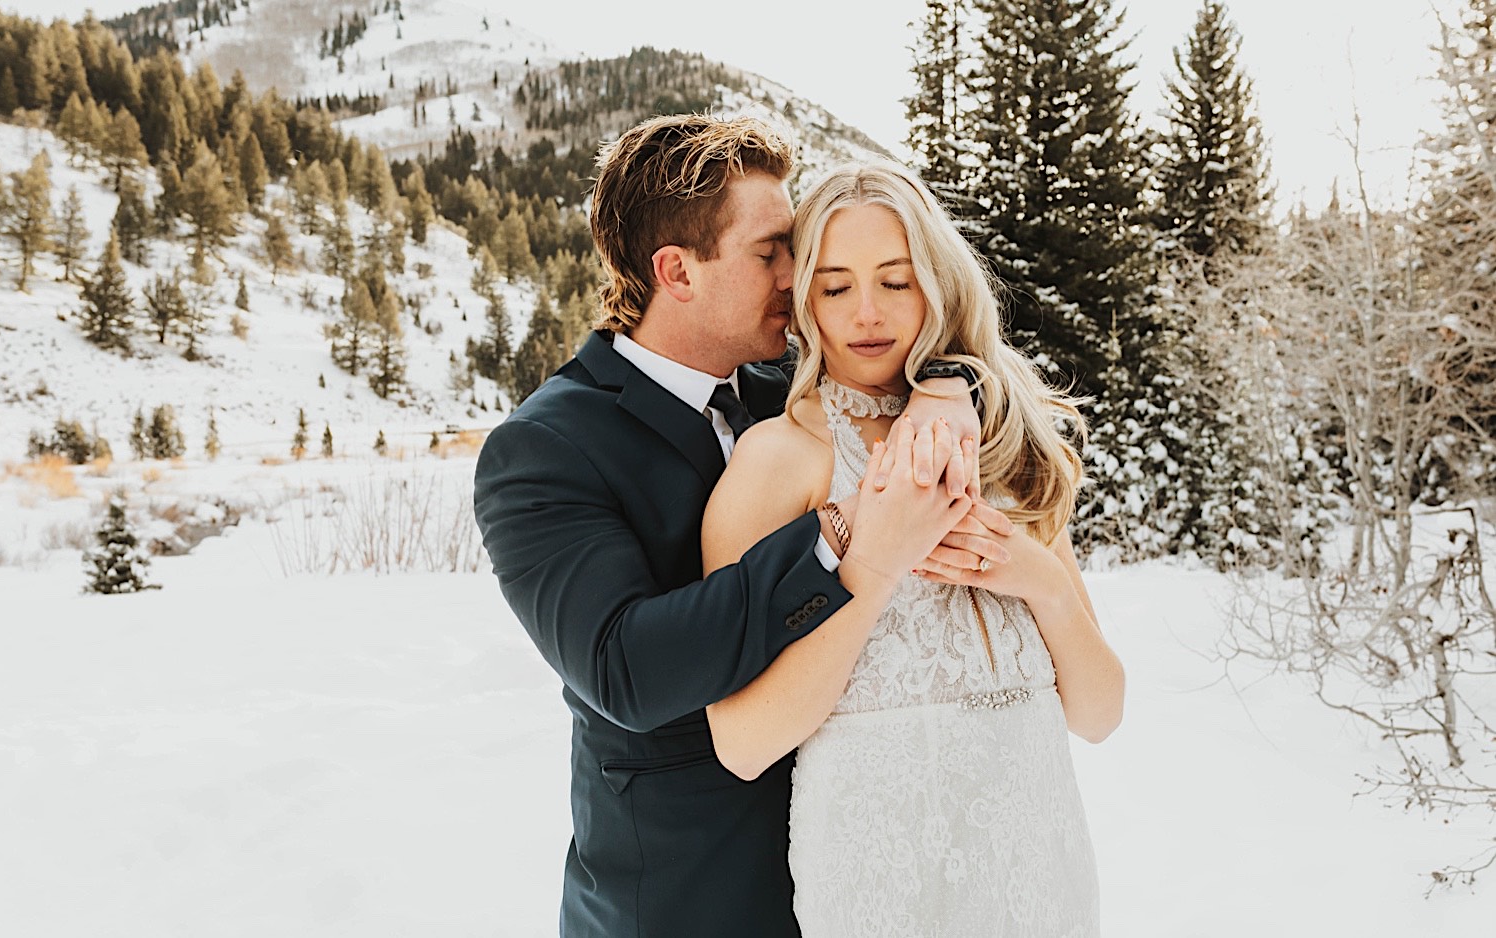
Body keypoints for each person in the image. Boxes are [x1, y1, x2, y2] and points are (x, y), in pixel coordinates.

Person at [472, 116, 991, 938]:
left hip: (858, 865)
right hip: (688, 894)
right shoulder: (545, 449)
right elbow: (626, 667)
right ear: (677, 271)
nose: (798, 273)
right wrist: (842, 536)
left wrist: (950, 384)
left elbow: (905, 343)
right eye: (770, 252)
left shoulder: (779, 381)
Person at [701, 161, 1126, 936]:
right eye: (835, 288)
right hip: (882, 887)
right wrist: (876, 563)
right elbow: (742, 743)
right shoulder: (781, 461)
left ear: (936, 282)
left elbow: (1099, 715)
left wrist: (1044, 584)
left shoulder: (1003, 445)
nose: (868, 312)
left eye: (895, 281)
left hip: (1041, 879)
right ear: (805, 304)